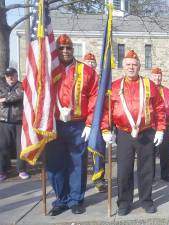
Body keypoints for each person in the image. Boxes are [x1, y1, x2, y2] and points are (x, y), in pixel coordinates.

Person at [101, 50, 166, 216]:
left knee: (146, 169)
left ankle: (146, 200)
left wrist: (160, 129)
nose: (131, 67)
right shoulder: (115, 86)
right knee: (124, 170)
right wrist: (105, 129)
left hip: (146, 132)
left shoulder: (148, 84)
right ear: (124, 67)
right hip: (123, 133)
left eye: (134, 65)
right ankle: (124, 202)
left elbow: (159, 107)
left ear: (139, 67)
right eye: (128, 64)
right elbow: (106, 110)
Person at [45, 34, 99, 216]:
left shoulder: (87, 71)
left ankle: (76, 200)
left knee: (77, 164)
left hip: (78, 126)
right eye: (61, 48)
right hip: (54, 125)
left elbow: (95, 97)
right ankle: (61, 200)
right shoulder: (48, 71)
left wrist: (90, 124)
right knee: (55, 165)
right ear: (56, 50)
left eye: (68, 48)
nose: (65, 51)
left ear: (73, 49)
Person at [83, 52, 107, 193]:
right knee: (80, 154)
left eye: (93, 63)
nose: (91, 65)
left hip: (96, 120)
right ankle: (79, 181)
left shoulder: (100, 81)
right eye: (88, 63)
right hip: (80, 120)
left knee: (98, 151)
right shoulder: (78, 77)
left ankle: (99, 179)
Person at [0, 67, 29, 181]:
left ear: (17, 75)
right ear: (5, 77)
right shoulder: (1, 86)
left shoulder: (22, 85)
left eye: (13, 75)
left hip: (19, 122)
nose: (10, 77)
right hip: (3, 121)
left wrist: (4, 99)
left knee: (21, 147)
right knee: (3, 147)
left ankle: (22, 170)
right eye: (8, 75)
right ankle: (2, 171)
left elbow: (18, 95)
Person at [150, 67, 169, 183]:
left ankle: (165, 174)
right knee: (150, 152)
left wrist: (168, 114)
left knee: (165, 152)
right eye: (155, 76)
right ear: (152, 77)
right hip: (150, 127)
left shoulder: (167, 91)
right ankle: (150, 176)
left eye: (159, 76)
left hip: (165, 126)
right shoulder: (147, 90)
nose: (157, 78)